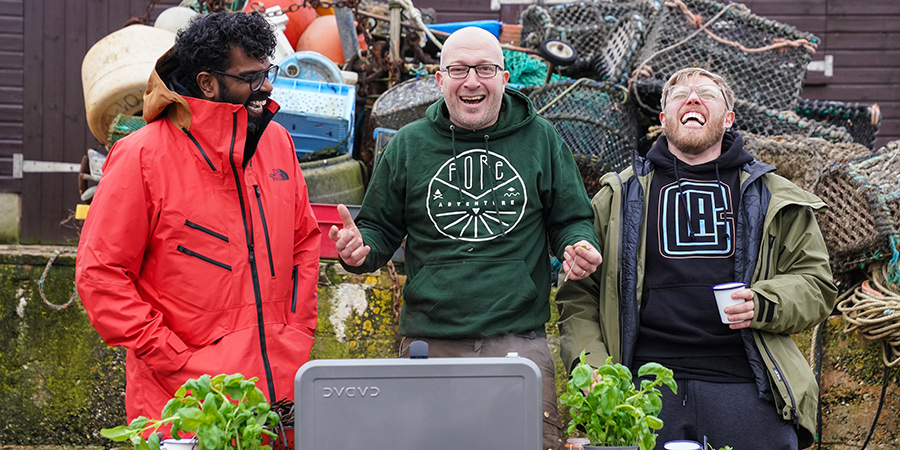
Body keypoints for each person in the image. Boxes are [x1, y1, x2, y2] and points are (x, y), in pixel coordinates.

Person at [329, 26, 602, 450]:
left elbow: (571, 218)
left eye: (484, 69)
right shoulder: (408, 146)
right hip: (429, 346)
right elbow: (378, 230)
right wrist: (357, 250)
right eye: (458, 69)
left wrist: (578, 244)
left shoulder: (541, 139)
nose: (471, 81)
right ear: (439, 81)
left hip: (518, 346)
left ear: (505, 78)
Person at [556, 67, 836, 449]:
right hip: (641, 388)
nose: (691, 98)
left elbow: (816, 284)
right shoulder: (617, 196)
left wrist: (763, 302)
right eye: (678, 95)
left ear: (728, 118)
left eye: (707, 93)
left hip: (746, 383)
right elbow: (578, 295)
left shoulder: (775, 196)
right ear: (663, 119)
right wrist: (594, 371)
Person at [75, 12, 321, 422]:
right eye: (252, 76)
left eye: (269, 70)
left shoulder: (277, 143)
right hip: (185, 407)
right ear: (208, 82)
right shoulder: (141, 157)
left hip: (280, 397)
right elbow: (100, 274)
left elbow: (304, 245)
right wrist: (172, 357)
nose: (268, 85)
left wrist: (297, 333)